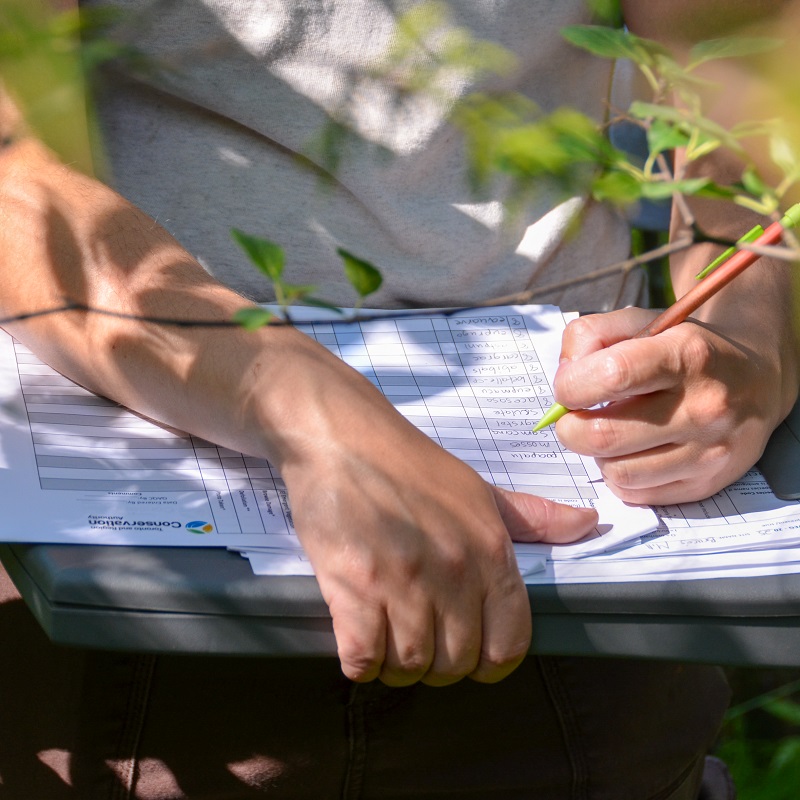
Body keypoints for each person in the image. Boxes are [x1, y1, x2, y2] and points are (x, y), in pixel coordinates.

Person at [0, 0, 795, 797]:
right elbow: (13, 172)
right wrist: (303, 411)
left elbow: (733, 63)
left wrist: (751, 336)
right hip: (150, 596)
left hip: (577, 610)